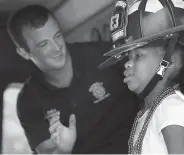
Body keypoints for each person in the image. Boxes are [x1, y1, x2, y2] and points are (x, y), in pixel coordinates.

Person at [7, 5, 139, 154]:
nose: (57, 48)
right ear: (24, 53)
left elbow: (149, 87)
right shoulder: (29, 101)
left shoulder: (103, 56)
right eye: (44, 44)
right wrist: (64, 149)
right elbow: (47, 153)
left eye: (57, 36)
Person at [100, 0, 184, 154]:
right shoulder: (149, 113)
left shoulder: (170, 109)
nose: (128, 64)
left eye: (138, 55)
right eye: (127, 57)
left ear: (169, 62)